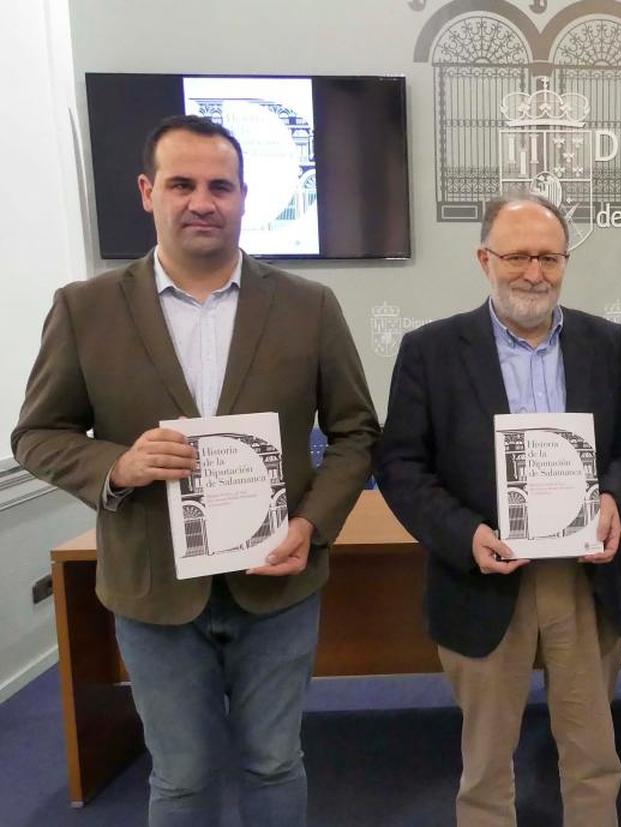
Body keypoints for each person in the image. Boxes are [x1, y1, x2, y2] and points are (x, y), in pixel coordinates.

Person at [12, 114, 380, 826]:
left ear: (244, 196)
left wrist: (311, 522)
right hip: (153, 588)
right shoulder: (85, 309)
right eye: (181, 183)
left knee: (276, 762)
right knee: (179, 777)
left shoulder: (309, 307)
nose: (201, 200)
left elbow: (356, 432)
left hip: (279, 583)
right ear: (148, 191)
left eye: (220, 185)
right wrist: (116, 462)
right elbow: (36, 433)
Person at [374, 193, 621, 827]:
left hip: (581, 579)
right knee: (484, 767)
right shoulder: (430, 351)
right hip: (482, 576)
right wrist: (464, 534)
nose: (535, 272)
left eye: (550, 257)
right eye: (519, 256)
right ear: (484, 259)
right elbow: (399, 465)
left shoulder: (605, 343)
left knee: (593, 756)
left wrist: (613, 499)